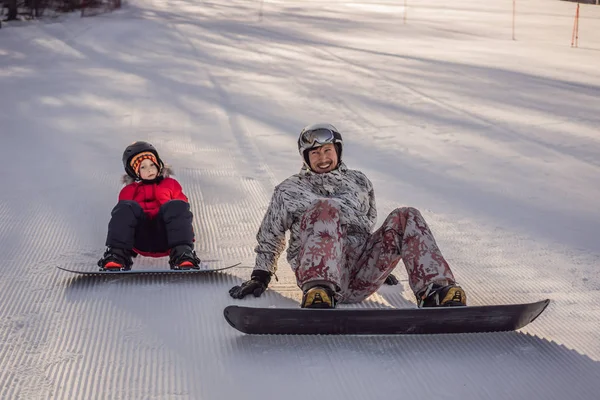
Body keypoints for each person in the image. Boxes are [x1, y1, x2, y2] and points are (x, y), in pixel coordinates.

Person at [229, 123, 467, 308]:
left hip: (360, 278)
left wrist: (380, 266)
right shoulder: (288, 190)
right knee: (325, 208)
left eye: (327, 151)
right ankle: (320, 288)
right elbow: (271, 235)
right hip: (316, 281)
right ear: (305, 157)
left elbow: (367, 225)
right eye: (315, 153)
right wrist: (260, 276)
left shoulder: (359, 182)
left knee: (406, 216)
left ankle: (436, 290)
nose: (323, 159)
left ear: (338, 151)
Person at [97, 141, 201, 271]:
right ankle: (116, 256)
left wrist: (186, 235)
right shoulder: (129, 190)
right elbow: (121, 219)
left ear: (158, 164)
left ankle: (183, 254)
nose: (150, 169)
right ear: (135, 172)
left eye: (152, 164)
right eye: (143, 167)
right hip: (140, 237)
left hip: (167, 236)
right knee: (125, 207)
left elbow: (182, 213)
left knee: (177, 205)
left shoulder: (171, 184)